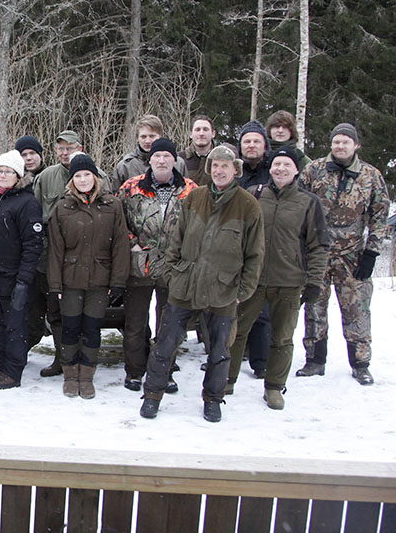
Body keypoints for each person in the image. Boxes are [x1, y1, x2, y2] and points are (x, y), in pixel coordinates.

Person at [139, 145, 263, 423]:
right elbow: (177, 240)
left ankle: (213, 399)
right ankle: (152, 394)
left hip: (223, 289)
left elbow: (255, 254)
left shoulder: (248, 206)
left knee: (219, 351)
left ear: (235, 170)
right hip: (185, 284)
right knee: (165, 344)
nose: (219, 171)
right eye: (215, 165)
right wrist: (172, 273)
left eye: (225, 166)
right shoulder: (195, 197)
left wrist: (242, 291)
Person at [228, 146, 329, 409]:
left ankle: (274, 387)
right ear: (270, 168)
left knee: (282, 338)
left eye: (287, 165)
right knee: (236, 332)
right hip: (252, 280)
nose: (281, 169)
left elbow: (319, 246)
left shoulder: (309, 202)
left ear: (296, 170)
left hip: (289, 282)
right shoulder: (254, 194)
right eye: (276, 164)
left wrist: (314, 281)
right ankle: (227, 380)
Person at [297, 123, 389, 385]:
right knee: (314, 308)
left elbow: (379, 216)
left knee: (357, 311)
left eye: (345, 142)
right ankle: (315, 360)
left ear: (355, 145)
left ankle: (360, 364)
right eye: (336, 141)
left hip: (353, 256)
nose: (340, 146)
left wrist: (371, 252)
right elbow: (298, 207)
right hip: (317, 254)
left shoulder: (370, 175)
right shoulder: (314, 170)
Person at [116, 138, 197, 392]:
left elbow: (199, 225)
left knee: (169, 324)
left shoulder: (191, 190)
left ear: (175, 160)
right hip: (140, 264)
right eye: (157, 156)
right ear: (149, 160)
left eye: (167, 156)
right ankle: (135, 371)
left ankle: (164, 371)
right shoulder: (131, 187)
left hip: (174, 267)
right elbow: (117, 221)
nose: (162, 161)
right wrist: (132, 243)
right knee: (135, 323)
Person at [46, 153, 130, 399]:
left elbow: (120, 246)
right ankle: (70, 375)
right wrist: (55, 284)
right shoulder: (62, 207)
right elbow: (55, 250)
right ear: (71, 180)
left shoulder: (112, 205)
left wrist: (118, 282)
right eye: (78, 176)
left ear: (95, 177)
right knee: (70, 328)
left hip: (99, 279)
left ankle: (87, 375)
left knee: (92, 329)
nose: (83, 180)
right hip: (70, 279)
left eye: (87, 175)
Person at [0, 151, 43, 389]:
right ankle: (2, 365)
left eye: (8, 171)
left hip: (16, 277)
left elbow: (33, 245)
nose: (3, 175)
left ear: (18, 175)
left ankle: (13, 370)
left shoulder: (27, 202)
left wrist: (23, 280)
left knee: (15, 327)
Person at [30, 130, 89, 375]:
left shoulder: (96, 175)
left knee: (82, 311)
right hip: (50, 254)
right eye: (61, 149)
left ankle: (83, 360)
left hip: (83, 254)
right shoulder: (45, 177)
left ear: (80, 148)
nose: (66, 153)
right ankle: (62, 358)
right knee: (55, 310)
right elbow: (33, 213)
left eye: (70, 148)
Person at [236, 120, 273, 379]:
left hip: (265, 245)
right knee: (230, 307)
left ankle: (261, 362)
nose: (251, 145)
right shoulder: (234, 170)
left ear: (264, 145)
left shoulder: (274, 171)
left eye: (256, 141)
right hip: (233, 244)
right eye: (246, 141)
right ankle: (227, 356)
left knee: (261, 308)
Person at [112, 115, 187, 189]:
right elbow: (116, 195)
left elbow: (187, 190)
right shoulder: (125, 166)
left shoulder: (178, 163)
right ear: (137, 138)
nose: (147, 141)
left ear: (160, 136)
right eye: (143, 137)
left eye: (152, 136)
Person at [178, 114, 218, 186]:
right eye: (197, 129)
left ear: (213, 134)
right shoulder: (179, 159)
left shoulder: (221, 159)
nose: (201, 133)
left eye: (205, 129)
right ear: (190, 134)